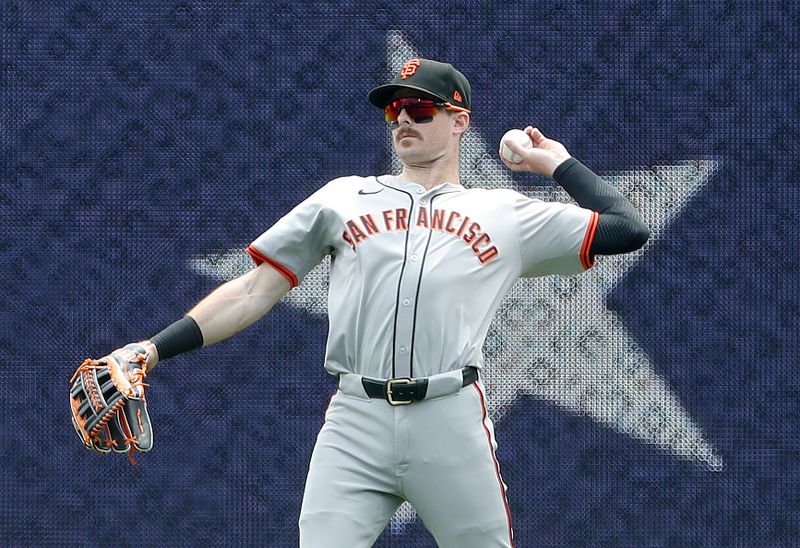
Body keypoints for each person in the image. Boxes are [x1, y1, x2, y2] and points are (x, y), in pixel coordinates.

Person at [127, 58, 649, 547]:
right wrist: (152, 350)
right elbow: (251, 289)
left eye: (421, 109)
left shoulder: (505, 213)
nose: (404, 119)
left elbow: (628, 229)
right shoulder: (343, 198)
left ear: (459, 119)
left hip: (450, 419)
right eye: (394, 109)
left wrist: (557, 163)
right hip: (357, 419)